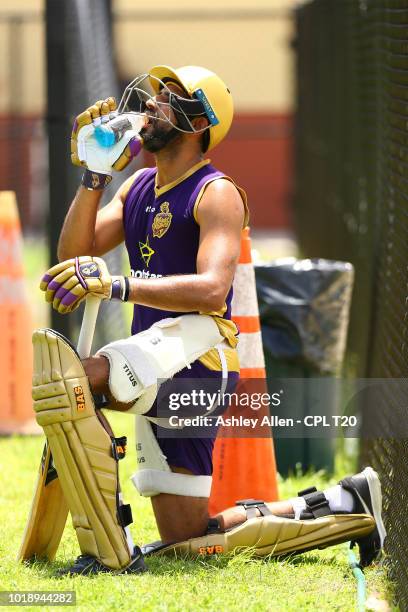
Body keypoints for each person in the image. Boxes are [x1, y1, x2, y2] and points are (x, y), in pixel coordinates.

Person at [37, 65, 386, 575]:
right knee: (190, 538)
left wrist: (116, 284)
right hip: (158, 355)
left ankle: (106, 551)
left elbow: (213, 289)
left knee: (78, 382)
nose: (152, 105)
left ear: (199, 121)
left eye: (169, 99)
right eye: (154, 96)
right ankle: (345, 503)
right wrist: (93, 176)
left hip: (197, 354)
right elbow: (73, 256)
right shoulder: (135, 186)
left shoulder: (216, 192)